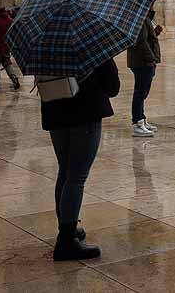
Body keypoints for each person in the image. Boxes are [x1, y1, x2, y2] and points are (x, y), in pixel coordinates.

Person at [43, 58, 120, 261]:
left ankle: (67, 228)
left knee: (65, 171)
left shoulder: (48, 43)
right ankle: (66, 242)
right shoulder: (92, 44)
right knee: (76, 177)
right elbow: (112, 87)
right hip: (84, 113)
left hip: (54, 111)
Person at [127, 11, 161, 137]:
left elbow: (146, 38)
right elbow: (141, 42)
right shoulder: (140, 19)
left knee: (142, 92)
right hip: (142, 62)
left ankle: (141, 119)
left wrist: (155, 32)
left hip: (143, 61)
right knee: (140, 93)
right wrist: (151, 59)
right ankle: (137, 124)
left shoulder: (144, 18)